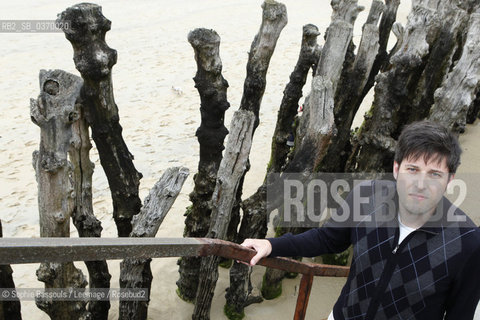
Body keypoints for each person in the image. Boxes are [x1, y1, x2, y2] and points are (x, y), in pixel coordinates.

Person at [242, 120, 480, 319]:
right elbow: (327, 239)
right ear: (396, 169)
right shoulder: (366, 196)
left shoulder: (468, 242)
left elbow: (461, 313)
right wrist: (273, 245)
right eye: (413, 169)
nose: (420, 184)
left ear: (450, 180)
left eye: (434, 174)